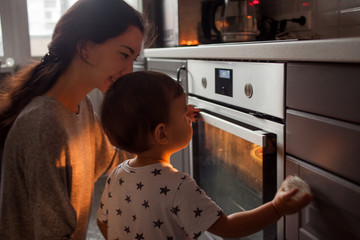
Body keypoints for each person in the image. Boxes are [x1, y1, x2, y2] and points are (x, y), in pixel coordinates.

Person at [96, 71, 313, 240]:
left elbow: (102, 223)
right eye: (183, 112)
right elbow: (228, 228)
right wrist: (277, 208)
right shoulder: (177, 185)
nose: (188, 113)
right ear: (162, 133)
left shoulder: (117, 174)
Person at [0, 0, 152, 239]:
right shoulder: (44, 123)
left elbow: (116, 159)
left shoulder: (81, 106)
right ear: (86, 48)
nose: (129, 70)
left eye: (133, 58)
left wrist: (167, 128)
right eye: (124, 54)